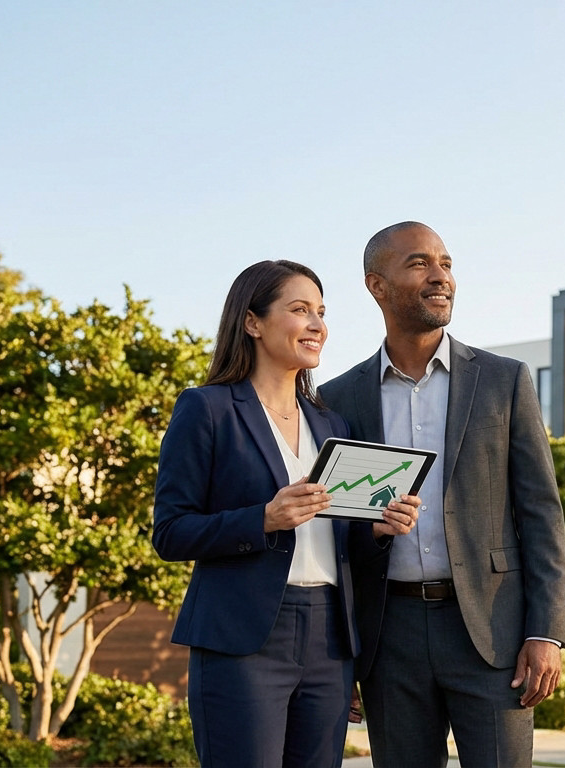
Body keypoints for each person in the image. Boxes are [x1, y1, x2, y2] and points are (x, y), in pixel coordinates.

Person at [319, 222, 565, 768]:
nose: (440, 277)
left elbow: (541, 513)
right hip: (389, 639)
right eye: (418, 264)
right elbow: (334, 532)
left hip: (492, 632)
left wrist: (546, 632)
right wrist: (345, 654)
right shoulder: (337, 398)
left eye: (446, 263)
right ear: (376, 285)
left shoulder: (505, 380)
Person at [151, 259, 420, 768]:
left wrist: (379, 530)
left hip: (328, 640)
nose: (317, 324)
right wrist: (263, 518)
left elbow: (338, 543)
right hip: (243, 638)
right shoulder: (206, 408)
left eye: (321, 312)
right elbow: (170, 532)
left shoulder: (330, 421)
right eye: (300, 310)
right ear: (252, 322)